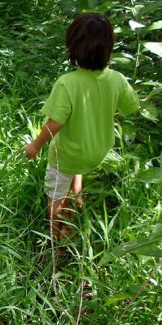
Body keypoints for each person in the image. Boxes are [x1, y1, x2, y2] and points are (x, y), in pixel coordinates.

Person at [24, 13, 139, 240]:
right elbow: (132, 109)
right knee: (77, 166)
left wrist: (34, 146)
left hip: (68, 154)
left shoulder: (68, 83)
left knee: (55, 196)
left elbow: (55, 122)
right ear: (109, 47)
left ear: (73, 47)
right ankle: (77, 203)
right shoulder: (117, 79)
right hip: (97, 151)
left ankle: (56, 241)